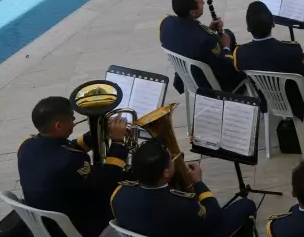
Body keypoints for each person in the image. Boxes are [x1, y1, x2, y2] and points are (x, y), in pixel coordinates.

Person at [17, 96, 129, 237]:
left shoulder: (26, 144)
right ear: (58, 126)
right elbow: (107, 181)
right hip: (74, 226)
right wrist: (118, 142)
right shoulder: (72, 160)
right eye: (71, 118)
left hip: (42, 219)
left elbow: (65, 147)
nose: (74, 120)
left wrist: (96, 132)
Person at [111, 140, 256, 237]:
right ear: (166, 173)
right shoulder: (184, 205)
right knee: (246, 205)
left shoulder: (118, 194)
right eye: (170, 159)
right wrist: (199, 183)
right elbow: (213, 216)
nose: (174, 158)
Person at [232, 1, 304, 116]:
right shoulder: (291, 50)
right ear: (273, 23)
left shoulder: (240, 54)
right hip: (298, 101)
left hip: (268, 101)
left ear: (248, 28)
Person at [159, 0, 244, 93]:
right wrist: (226, 47)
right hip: (205, 83)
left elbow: (189, 40)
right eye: (200, 3)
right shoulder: (207, 41)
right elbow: (224, 67)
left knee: (227, 33)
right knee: (230, 39)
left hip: (185, 77)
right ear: (192, 13)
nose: (204, 3)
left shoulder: (166, 23)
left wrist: (209, 30)